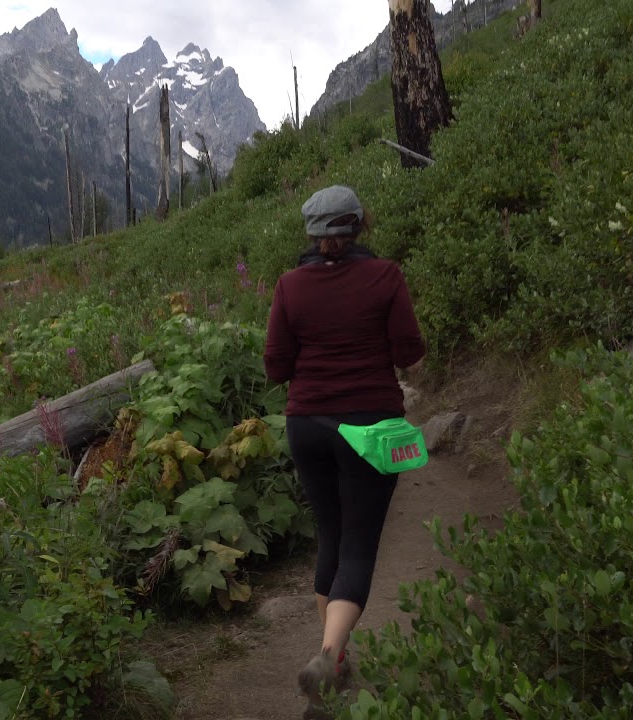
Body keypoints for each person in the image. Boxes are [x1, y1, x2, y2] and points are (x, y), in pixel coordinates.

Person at [263, 185, 426, 719]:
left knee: (330, 536)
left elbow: (276, 368)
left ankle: (336, 661)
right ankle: (330, 658)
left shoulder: (290, 285)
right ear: (359, 226)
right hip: (369, 426)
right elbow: (409, 351)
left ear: (313, 234)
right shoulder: (386, 276)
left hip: (305, 424)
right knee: (357, 545)